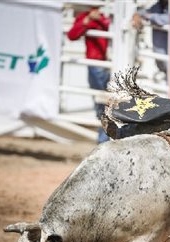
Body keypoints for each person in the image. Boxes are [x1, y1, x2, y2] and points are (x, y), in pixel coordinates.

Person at [67, 6, 112, 144]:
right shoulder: (88, 15)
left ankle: (104, 140)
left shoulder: (109, 13)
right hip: (98, 64)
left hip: (107, 64)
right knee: (103, 103)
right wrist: (88, 19)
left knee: (108, 104)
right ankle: (103, 140)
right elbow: (72, 35)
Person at [132, 0, 170, 79]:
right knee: (163, 69)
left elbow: (168, 19)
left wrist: (148, 16)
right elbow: (145, 12)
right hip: (161, 56)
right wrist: (137, 14)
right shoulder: (159, 5)